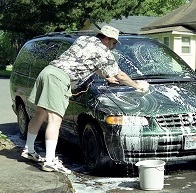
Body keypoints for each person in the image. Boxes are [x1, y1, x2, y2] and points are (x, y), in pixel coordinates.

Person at [21, 25, 149, 174]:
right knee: (54, 120)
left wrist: (107, 76)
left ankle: (29, 149)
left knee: (40, 114)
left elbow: (88, 63)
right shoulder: (103, 51)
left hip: (48, 72)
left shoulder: (83, 40)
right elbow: (120, 75)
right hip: (59, 79)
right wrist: (137, 85)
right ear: (106, 39)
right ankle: (50, 161)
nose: (113, 47)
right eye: (113, 43)